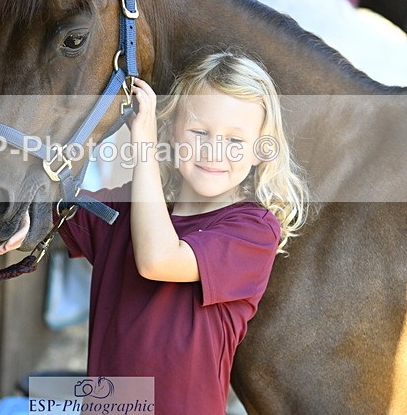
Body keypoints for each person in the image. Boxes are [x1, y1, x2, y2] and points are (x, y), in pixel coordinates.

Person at [50, 52, 308, 413]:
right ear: (172, 132)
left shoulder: (253, 230)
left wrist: (142, 146)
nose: (214, 150)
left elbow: (159, 260)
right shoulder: (125, 209)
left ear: (260, 153)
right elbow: (46, 207)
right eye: (200, 132)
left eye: (235, 141)